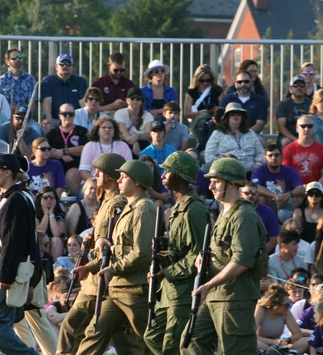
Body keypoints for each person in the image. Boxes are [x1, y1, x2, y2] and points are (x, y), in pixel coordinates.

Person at [180, 157, 267, 354]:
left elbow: (242, 261)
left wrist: (209, 284)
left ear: (232, 184)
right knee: (191, 341)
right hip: (216, 294)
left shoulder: (243, 216)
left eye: (216, 181)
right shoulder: (225, 213)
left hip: (235, 298)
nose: (210, 186)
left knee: (235, 351)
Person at [74, 159, 155, 355]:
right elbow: (116, 250)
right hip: (117, 288)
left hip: (134, 290)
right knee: (94, 332)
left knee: (148, 343)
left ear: (136, 181)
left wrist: (113, 269)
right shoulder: (129, 207)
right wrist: (92, 266)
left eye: (124, 176)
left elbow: (142, 252)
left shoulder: (144, 209)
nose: (119, 180)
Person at [57, 153, 132, 355]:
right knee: (118, 337)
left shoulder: (117, 203)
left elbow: (113, 245)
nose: (95, 173)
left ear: (109, 175)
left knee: (72, 328)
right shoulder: (106, 200)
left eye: (99, 170)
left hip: (102, 279)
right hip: (96, 278)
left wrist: (89, 266)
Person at [143, 151, 209, 355]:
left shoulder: (194, 210)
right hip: (169, 288)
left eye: (167, 171)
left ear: (180, 176)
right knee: (152, 336)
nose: (162, 175)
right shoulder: (177, 207)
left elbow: (198, 255)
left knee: (172, 345)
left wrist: (167, 272)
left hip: (183, 289)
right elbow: (181, 248)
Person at [0, 153, 39, 355]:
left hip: (5, 272)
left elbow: (13, 242)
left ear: (8, 172)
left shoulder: (15, 200)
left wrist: (5, 275)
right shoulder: (8, 198)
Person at [282, 115, 323, 213]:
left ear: (313, 128)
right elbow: (286, 175)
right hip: (296, 188)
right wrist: (298, 187)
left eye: (309, 126)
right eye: (303, 126)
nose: (306, 129)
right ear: (297, 128)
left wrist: (315, 186)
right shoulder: (288, 149)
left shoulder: (322, 149)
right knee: (297, 197)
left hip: (317, 186)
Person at [251, 144, 304, 222]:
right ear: (265, 158)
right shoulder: (259, 171)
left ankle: (292, 226)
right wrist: (276, 196)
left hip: (286, 202)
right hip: (268, 202)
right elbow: (256, 187)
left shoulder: (290, 171)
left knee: (298, 198)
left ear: (281, 157)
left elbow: (301, 189)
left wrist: (289, 194)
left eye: (276, 155)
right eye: (270, 155)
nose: (273, 158)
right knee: (261, 198)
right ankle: (263, 224)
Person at [204, 103, 264, 173]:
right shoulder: (217, 134)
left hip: (250, 171)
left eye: (239, 114)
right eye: (232, 114)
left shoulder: (250, 133)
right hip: (226, 172)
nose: (236, 116)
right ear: (227, 117)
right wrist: (222, 165)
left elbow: (260, 152)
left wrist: (258, 163)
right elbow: (209, 155)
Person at [45, 103, 89, 196]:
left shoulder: (82, 131)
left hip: (75, 166)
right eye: (64, 114)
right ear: (59, 116)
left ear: (74, 115)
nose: (68, 116)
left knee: (72, 175)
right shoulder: (52, 133)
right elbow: (46, 149)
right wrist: (62, 155)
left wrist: (64, 151)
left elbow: (86, 149)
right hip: (56, 166)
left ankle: (78, 201)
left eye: (70, 114)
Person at [78, 116, 132, 183]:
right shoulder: (89, 146)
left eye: (110, 127)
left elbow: (129, 170)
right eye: (104, 127)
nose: (107, 129)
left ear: (114, 131)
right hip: (93, 183)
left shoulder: (123, 146)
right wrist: (98, 183)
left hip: (117, 184)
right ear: (98, 131)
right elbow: (83, 172)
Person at [40, 54, 88, 127]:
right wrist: (48, 119)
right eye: (62, 64)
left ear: (72, 67)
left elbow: (82, 102)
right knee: (46, 126)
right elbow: (47, 101)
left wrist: (85, 120)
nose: (65, 66)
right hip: (55, 119)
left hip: (75, 120)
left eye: (68, 64)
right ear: (56, 67)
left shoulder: (80, 82)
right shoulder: (47, 81)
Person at [254, 283, 303, 352]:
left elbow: (298, 334)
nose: (288, 306)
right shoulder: (261, 309)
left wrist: (287, 340)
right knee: (255, 343)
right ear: (276, 304)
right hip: (262, 344)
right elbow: (252, 335)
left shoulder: (286, 312)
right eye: (286, 304)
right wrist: (273, 342)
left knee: (306, 341)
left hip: (279, 345)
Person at [240, 182, 279, 253]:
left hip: (262, 252)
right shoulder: (235, 211)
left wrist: (260, 254)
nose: (250, 195)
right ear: (241, 194)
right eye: (247, 193)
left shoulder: (268, 212)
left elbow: (273, 238)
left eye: (254, 193)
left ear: (258, 194)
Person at [115, 87, 154, 157]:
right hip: (125, 141)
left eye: (138, 98)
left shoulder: (148, 115)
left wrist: (137, 137)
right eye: (132, 98)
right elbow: (124, 133)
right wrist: (135, 142)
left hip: (142, 143)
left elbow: (148, 134)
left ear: (142, 101)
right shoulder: (120, 113)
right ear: (127, 100)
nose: (135, 100)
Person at [276, 75, 312, 147]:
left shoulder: (311, 104)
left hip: (308, 135)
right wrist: (296, 139)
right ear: (291, 89)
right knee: (286, 142)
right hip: (288, 136)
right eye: (295, 86)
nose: (299, 88)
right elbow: (281, 127)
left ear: (305, 89)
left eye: (302, 86)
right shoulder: (283, 105)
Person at [35, 187, 66, 261]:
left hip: (55, 244)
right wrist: (46, 214)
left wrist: (51, 213)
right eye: (45, 198)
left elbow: (57, 233)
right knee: (42, 241)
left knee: (56, 240)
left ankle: (54, 268)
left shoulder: (59, 214)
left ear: (55, 200)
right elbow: (40, 233)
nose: (49, 200)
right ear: (40, 199)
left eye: (51, 197)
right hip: (41, 242)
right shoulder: (35, 214)